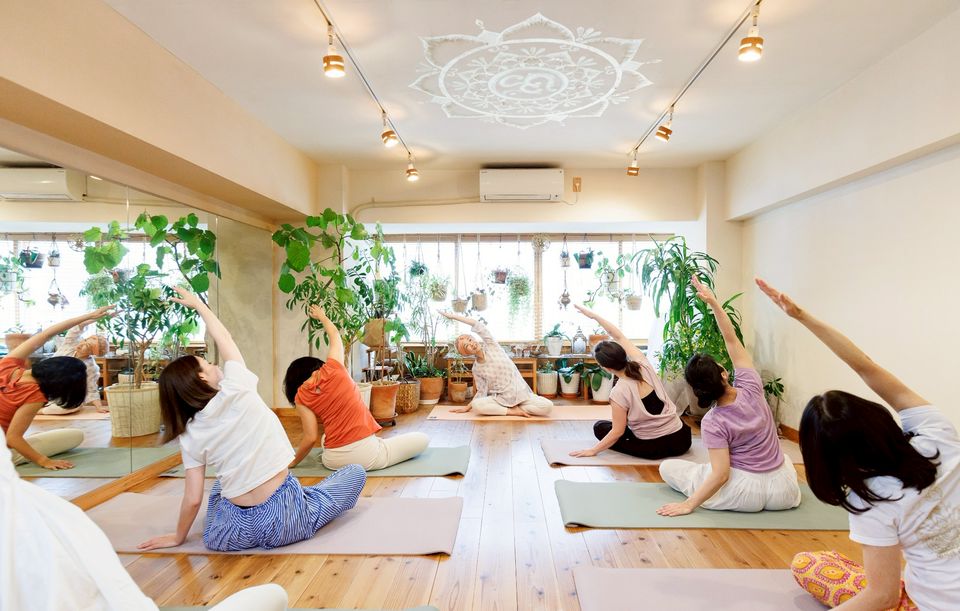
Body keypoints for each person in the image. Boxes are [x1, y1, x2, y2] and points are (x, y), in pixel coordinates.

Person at [757, 278, 959, 610]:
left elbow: (883, 596)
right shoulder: (936, 433)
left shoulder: (871, 500)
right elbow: (866, 367)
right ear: (876, 419)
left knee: (809, 564)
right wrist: (802, 316)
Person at [139, 288, 366, 553]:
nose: (215, 365)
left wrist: (178, 537)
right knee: (355, 473)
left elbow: (193, 498)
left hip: (233, 533)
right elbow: (224, 337)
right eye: (208, 364)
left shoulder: (189, 434)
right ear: (202, 378)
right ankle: (306, 501)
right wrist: (200, 306)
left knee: (220, 489)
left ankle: (279, 508)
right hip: (285, 519)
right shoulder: (237, 386)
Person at [0, 435, 289, 611]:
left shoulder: (38, 523)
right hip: (278, 508)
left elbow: (194, 498)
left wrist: (179, 536)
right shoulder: (52, 528)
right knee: (274, 593)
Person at [657, 275, 801, 516]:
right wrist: (713, 303)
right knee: (784, 459)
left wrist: (688, 504)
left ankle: (698, 483)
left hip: (743, 494)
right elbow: (731, 340)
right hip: (783, 493)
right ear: (723, 373)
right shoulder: (751, 385)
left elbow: (721, 475)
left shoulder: (713, 421)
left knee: (669, 467)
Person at [282, 304, 429, 471]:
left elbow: (310, 438)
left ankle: (371, 446)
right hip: (367, 457)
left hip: (332, 461)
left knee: (324, 438)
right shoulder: (333, 368)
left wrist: (293, 463)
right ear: (317, 367)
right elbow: (334, 334)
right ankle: (377, 446)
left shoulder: (300, 397)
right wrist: (322, 316)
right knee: (422, 438)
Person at [568, 304, 692, 460]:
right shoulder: (643, 365)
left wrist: (593, 450)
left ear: (606, 368)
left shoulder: (618, 392)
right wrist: (595, 316)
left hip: (656, 447)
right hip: (683, 438)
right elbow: (619, 336)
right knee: (616, 425)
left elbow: (617, 432)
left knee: (600, 428)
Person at [2, 307, 114, 469]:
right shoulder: (34, 395)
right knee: (74, 435)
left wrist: (89, 315)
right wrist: (44, 461)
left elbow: (46, 334)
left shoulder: (6, 364)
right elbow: (12, 438)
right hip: (4, 451)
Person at [440, 311, 553, 417]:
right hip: (501, 399)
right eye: (466, 346)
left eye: (470, 340)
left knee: (548, 406)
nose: (472, 344)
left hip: (521, 394)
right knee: (477, 405)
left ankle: (518, 408)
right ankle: (511, 411)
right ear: (466, 354)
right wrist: (467, 407)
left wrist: (453, 316)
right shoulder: (476, 369)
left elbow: (477, 325)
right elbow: (481, 391)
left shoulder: (491, 345)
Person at [38, 323, 108, 415]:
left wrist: (99, 407)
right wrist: (92, 318)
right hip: (42, 383)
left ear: (91, 352)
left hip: (61, 393)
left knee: (74, 406)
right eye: (85, 340)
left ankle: (38, 411)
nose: (81, 344)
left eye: (87, 346)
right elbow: (76, 328)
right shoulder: (71, 343)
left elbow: (91, 388)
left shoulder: (91, 367)